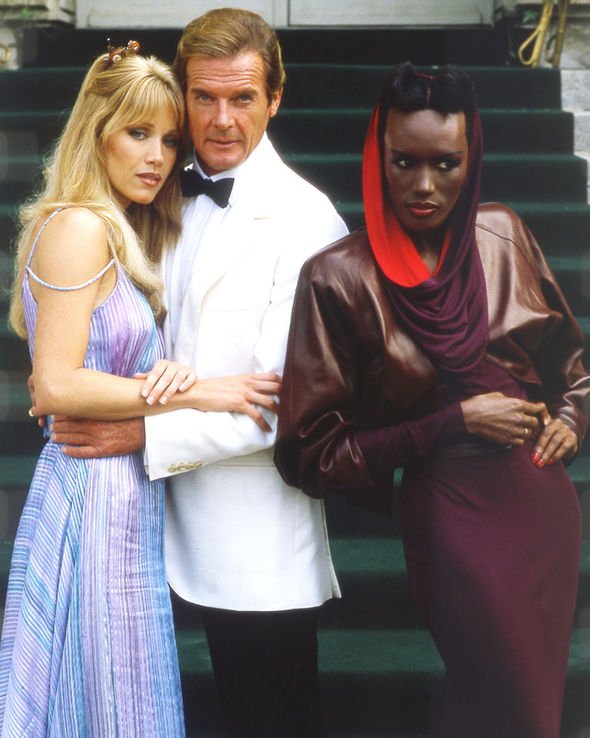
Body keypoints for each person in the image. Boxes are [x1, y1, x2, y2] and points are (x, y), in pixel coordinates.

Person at [47, 9, 349, 738]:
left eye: (242, 98)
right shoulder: (148, 191)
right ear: (181, 95)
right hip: (133, 526)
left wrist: (139, 435)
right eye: (204, 97)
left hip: (248, 544)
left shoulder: (307, 222)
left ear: (275, 99)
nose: (220, 120)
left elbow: (285, 405)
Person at [274, 62, 590, 738]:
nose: (424, 186)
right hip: (451, 519)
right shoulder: (337, 278)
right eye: (404, 162)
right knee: (509, 698)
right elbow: (309, 455)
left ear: (471, 159)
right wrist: (451, 423)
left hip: (540, 505)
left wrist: (571, 416)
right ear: (376, 156)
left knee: (516, 708)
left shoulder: (502, 234)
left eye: (446, 164)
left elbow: (573, 367)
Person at [1, 42, 281, 738]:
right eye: (138, 133)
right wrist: (197, 393)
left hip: (123, 492)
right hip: (90, 490)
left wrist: (165, 374)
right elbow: (54, 383)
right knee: (102, 698)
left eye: (170, 140)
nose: (158, 156)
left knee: (117, 694)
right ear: (96, 134)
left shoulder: (117, 230)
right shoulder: (78, 227)